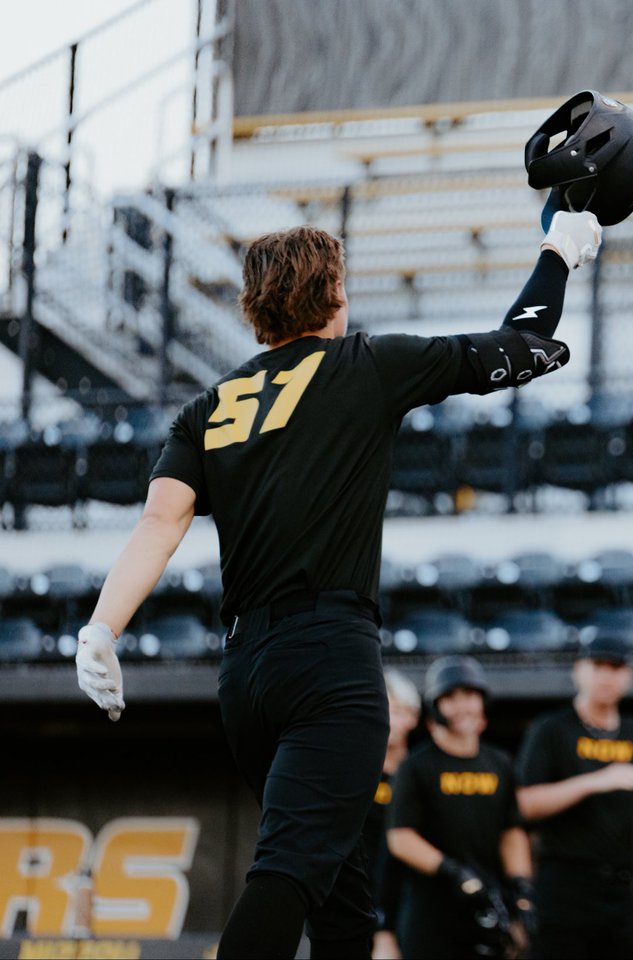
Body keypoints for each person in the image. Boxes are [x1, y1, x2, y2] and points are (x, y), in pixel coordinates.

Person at [72, 211, 603, 959]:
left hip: (246, 678)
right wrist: (559, 253)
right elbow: (526, 347)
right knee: (290, 869)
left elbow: (160, 523)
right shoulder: (364, 364)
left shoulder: (207, 407)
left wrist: (101, 627)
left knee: (343, 896)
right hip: (329, 661)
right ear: (334, 293)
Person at [386, 656, 534, 959]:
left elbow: (512, 832)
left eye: (470, 695)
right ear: (435, 707)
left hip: (488, 909)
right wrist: (454, 873)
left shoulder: (500, 763)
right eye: (450, 697)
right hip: (431, 914)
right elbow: (400, 838)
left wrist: (521, 888)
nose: (462, 705)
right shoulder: (415, 766)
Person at [515, 635, 633, 959]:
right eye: (598, 666)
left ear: (629, 675)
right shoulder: (551, 728)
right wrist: (594, 781)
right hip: (564, 882)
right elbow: (523, 804)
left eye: (616, 667)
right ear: (578, 670)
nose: (606, 676)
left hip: (620, 883)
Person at [363, 669, 421, 960]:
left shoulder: (424, 775)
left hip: (417, 910)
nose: (388, 720)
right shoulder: (354, 777)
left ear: (413, 717)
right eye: (381, 709)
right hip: (359, 907)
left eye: (396, 711)